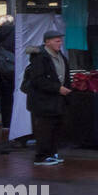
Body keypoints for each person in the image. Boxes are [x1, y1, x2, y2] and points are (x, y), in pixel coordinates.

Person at [26, 29, 71, 166]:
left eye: (60, 40)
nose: (60, 43)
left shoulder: (60, 56)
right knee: (44, 129)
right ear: (47, 42)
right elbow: (38, 80)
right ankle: (41, 156)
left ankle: (51, 153)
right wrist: (57, 88)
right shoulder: (40, 57)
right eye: (57, 41)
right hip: (43, 101)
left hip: (57, 100)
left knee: (55, 127)